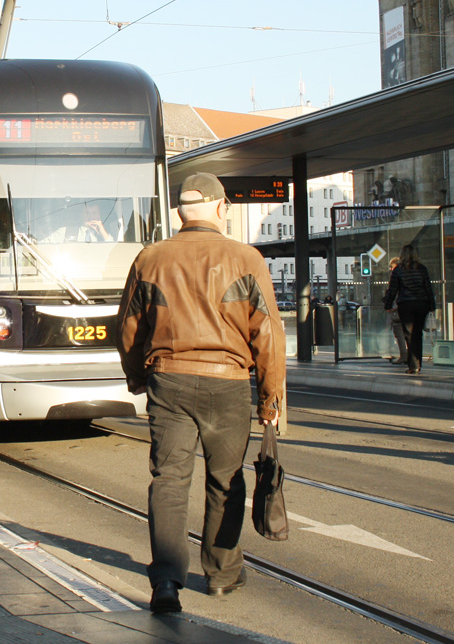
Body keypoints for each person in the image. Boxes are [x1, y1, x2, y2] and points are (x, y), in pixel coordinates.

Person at [115, 172, 285, 614]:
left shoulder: (150, 258)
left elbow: (129, 327)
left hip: (168, 379)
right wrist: (271, 400)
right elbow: (268, 332)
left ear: (179, 212)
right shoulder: (245, 258)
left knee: (168, 480)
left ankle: (167, 582)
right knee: (226, 480)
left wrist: (137, 378)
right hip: (227, 382)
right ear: (218, 207)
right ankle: (222, 574)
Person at [383, 243, 435, 375]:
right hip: (421, 303)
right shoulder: (422, 269)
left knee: (409, 334)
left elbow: (393, 289)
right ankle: (417, 362)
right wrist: (431, 304)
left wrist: (388, 304)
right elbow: (428, 287)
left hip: (406, 304)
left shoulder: (398, 270)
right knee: (418, 334)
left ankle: (413, 365)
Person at [383, 257, 409, 364]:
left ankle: (404, 356)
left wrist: (389, 306)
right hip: (410, 308)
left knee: (399, 332)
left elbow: (393, 292)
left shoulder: (397, 274)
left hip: (399, 309)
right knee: (409, 334)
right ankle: (413, 358)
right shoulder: (409, 273)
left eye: (392, 266)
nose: (390, 269)